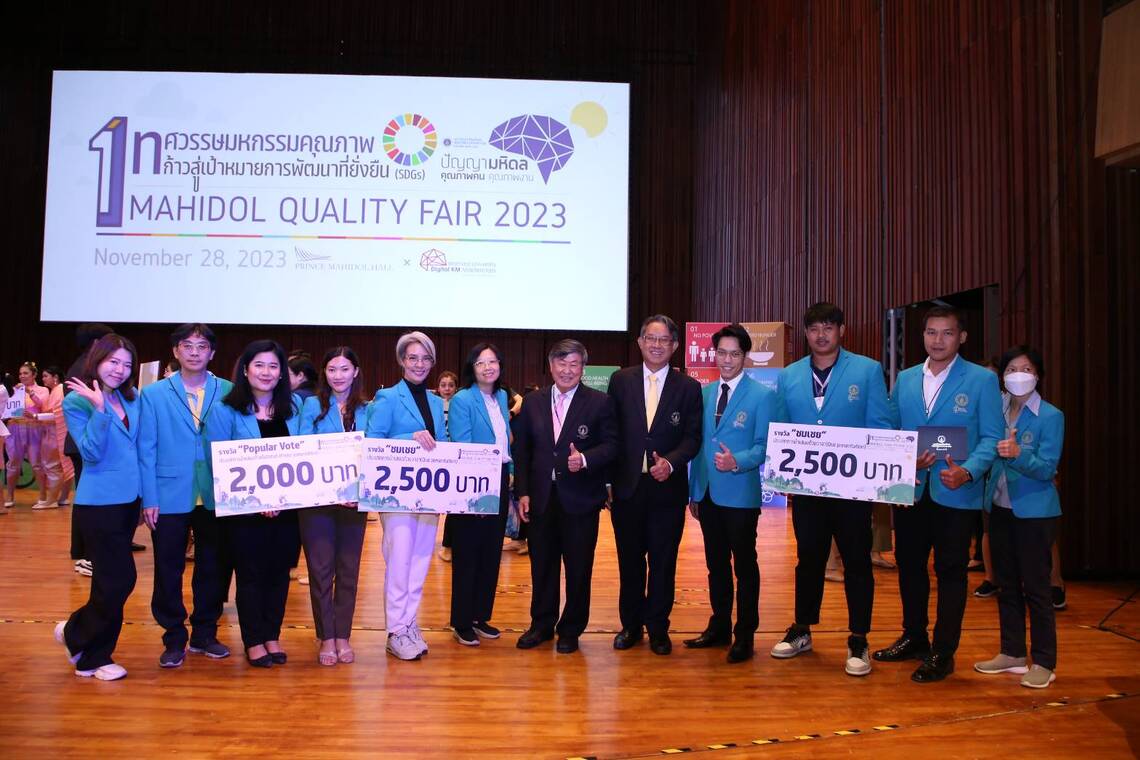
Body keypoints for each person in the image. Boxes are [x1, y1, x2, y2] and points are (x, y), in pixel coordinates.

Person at [874, 305, 1003, 682]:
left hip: (956, 492)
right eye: (931, 332)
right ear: (923, 337)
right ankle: (914, 636)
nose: (938, 340)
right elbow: (891, 428)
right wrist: (904, 457)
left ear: (962, 337)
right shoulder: (906, 378)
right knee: (910, 566)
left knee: (950, 571)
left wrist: (968, 471)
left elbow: (992, 437)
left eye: (947, 333)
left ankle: (943, 651)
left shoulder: (981, 380)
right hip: (912, 488)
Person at [768, 302, 894, 677]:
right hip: (808, 490)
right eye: (814, 329)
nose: (821, 335)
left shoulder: (867, 370)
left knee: (857, 562)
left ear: (842, 331)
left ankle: (858, 638)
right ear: (806, 334)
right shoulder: (789, 375)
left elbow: (880, 426)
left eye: (828, 327)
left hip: (853, 490)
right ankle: (802, 628)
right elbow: (781, 429)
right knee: (808, 559)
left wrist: (886, 474)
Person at [513, 339, 618, 654]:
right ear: (551, 366)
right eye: (562, 363)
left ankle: (571, 629)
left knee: (578, 568)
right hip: (542, 498)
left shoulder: (600, 402)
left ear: (583, 368)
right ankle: (541, 625)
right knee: (542, 566)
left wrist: (585, 459)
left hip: (581, 499)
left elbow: (613, 445)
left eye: (574, 364)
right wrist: (523, 492)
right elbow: (523, 451)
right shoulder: (533, 402)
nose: (567, 370)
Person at [138, 323, 234, 668]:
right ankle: (173, 636)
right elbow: (146, 448)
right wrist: (149, 498)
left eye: (202, 346)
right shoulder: (153, 394)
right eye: (188, 346)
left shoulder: (228, 390)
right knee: (168, 568)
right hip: (168, 494)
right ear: (175, 351)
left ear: (212, 352)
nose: (195, 352)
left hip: (216, 493)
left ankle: (205, 633)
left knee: (214, 567)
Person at [607, 315, 702, 655]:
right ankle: (631, 626)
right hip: (627, 488)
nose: (657, 345)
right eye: (651, 338)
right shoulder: (621, 380)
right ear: (640, 342)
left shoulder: (688, 387)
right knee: (630, 562)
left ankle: (658, 628)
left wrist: (671, 462)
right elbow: (611, 433)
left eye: (664, 340)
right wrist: (608, 480)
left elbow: (693, 437)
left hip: (667, 490)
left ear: (674, 346)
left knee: (663, 562)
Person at [206, 340, 301, 668]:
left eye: (273, 366)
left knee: (279, 574)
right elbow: (218, 461)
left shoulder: (295, 407)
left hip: (287, 510)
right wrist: (259, 500)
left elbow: (306, 454)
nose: (266, 372)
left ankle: (272, 635)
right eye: (259, 365)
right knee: (251, 575)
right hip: (245, 513)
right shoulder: (225, 410)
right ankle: (253, 640)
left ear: (282, 373)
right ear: (245, 370)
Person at [973, 346, 1064, 689]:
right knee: (1006, 584)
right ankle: (1012, 652)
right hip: (999, 507)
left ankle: (1043, 661)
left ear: (1038, 375)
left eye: (1026, 368)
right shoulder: (996, 410)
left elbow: (1047, 468)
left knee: (1037, 588)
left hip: (1034, 513)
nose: (1018, 375)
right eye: (1011, 369)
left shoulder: (1051, 416)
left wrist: (1018, 453)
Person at [685, 324, 776, 663]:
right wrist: (694, 492)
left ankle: (745, 634)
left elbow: (765, 446)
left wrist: (737, 461)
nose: (726, 360)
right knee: (716, 565)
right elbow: (698, 447)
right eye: (721, 353)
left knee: (745, 567)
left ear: (745, 356)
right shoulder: (704, 393)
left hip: (740, 495)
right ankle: (719, 625)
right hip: (707, 494)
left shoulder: (763, 396)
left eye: (734, 354)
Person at [54, 334, 141, 681]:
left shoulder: (131, 397)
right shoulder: (77, 401)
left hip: (129, 501)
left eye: (127, 364)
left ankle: (86, 647)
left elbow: (139, 448)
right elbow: (90, 453)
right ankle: (83, 643)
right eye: (113, 362)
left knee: (109, 582)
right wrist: (100, 410)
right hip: (98, 503)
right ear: (97, 360)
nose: (119, 370)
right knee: (119, 580)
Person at [365, 331, 447, 661]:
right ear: (402, 360)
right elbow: (372, 441)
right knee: (399, 561)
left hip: (428, 494)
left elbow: (442, 445)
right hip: (396, 494)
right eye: (413, 357)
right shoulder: (387, 397)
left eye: (426, 358)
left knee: (420, 560)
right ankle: (396, 630)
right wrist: (408, 439)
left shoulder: (436, 401)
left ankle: (409, 623)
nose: (419, 364)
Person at [297, 347, 370, 666]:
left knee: (349, 571)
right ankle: (326, 636)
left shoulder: (368, 409)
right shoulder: (311, 405)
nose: (338, 376)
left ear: (355, 371)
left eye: (344, 369)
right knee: (321, 571)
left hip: (355, 502)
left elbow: (376, 449)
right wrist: (330, 490)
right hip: (318, 503)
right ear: (324, 373)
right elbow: (303, 449)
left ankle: (343, 635)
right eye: (331, 369)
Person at [445, 343, 513, 647]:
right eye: (481, 362)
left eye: (492, 361)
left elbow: (505, 441)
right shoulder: (463, 399)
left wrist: (510, 472)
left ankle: (480, 615)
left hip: (500, 476)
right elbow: (464, 446)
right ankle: (462, 621)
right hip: (472, 480)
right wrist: (481, 486)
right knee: (468, 553)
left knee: (490, 552)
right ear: (472, 368)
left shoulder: (501, 397)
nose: (488, 367)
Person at [63, 323, 114, 571]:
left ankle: (85, 549)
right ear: (96, 344)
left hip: (90, 440)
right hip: (85, 442)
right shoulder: (85, 369)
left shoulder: (84, 364)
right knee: (89, 497)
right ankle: (87, 553)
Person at [5, 362, 50, 508]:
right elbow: (6, 408)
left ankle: (43, 495)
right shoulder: (14, 390)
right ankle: (10, 495)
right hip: (15, 428)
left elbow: (42, 405)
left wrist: (29, 392)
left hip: (33, 429)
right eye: (20, 373)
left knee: (37, 463)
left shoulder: (42, 390)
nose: (22, 376)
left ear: (34, 374)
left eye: (25, 373)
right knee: (13, 463)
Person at [38, 366, 75, 509]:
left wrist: (36, 416)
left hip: (57, 433)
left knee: (53, 467)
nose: (43, 379)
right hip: (57, 432)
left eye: (45, 376)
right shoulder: (55, 390)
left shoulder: (59, 390)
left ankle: (51, 500)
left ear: (55, 377)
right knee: (62, 467)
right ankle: (63, 498)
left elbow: (57, 414)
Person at [436, 370, 459, 562]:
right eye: (443, 385)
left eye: (451, 385)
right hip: (437, 457)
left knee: (454, 504)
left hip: (455, 458)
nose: (447, 389)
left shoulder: (459, 405)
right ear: (438, 387)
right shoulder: (434, 405)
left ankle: (448, 544)